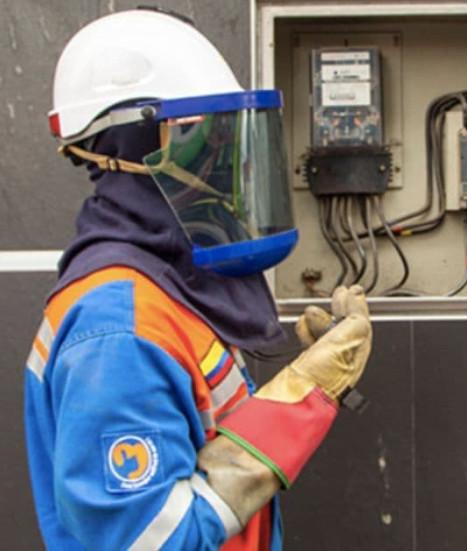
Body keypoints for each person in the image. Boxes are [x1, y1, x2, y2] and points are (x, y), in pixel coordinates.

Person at [24, 9, 372, 549]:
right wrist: (303, 395)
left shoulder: (163, 284)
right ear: (135, 146)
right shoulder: (120, 332)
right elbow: (151, 540)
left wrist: (305, 376)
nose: (220, 156)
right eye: (199, 134)